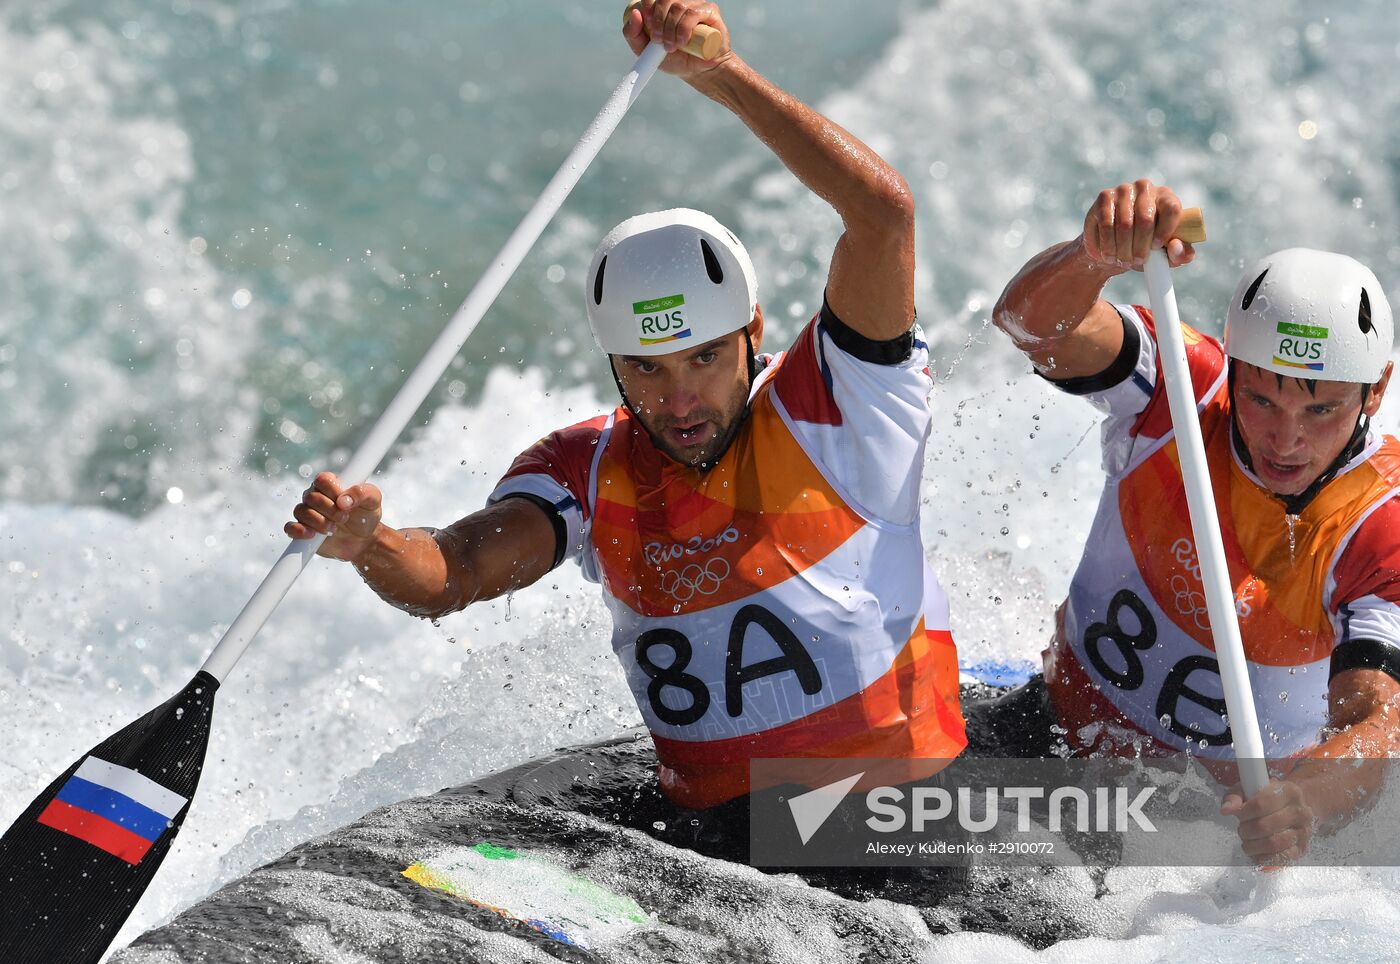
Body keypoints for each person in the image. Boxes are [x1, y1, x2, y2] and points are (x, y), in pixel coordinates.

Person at [286, 0, 964, 830]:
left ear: (752, 331)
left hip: (898, 824)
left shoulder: (841, 401)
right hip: (709, 848)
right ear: (611, 363)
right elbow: (455, 571)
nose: (678, 400)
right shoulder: (585, 468)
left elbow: (883, 215)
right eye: (645, 368)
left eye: (705, 359)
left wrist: (721, 76)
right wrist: (374, 546)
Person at [982, 178, 1400, 866]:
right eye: (1261, 400)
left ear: (1375, 390)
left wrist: (1308, 804)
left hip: (1203, 829)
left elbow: (1376, 723)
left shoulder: (1376, 526)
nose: (1284, 441)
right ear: (1233, 368)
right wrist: (1093, 255)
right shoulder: (1181, 383)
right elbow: (1028, 324)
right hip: (1045, 735)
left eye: (1321, 410)